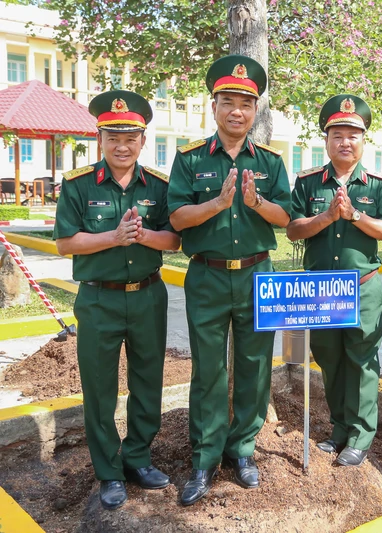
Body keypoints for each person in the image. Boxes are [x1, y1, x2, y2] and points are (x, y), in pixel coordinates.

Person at [167, 55, 291, 505]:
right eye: (228, 102)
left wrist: (257, 203)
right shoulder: (190, 158)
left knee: (256, 368)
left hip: (258, 273)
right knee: (209, 371)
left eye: (246, 103)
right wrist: (216, 205)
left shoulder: (272, 162)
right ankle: (205, 458)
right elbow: (177, 217)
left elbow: (286, 217)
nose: (237, 111)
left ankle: (242, 451)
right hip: (207, 276)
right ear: (214, 106)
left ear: (255, 111)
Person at [54, 90, 180, 510]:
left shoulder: (159, 186)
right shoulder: (77, 185)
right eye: (113, 137)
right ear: (100, 139)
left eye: (131, 138)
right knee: (100, 388)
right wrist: (113, 237)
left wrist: (143, 235)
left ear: (143, 140)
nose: (122, 146)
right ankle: (108, 471)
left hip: (147, 296)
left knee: (148, 382)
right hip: (98, 301)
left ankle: (138, 459)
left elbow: (175, 239)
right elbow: (65, 243)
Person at [287, 94, 382, 467]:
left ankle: (361, 435)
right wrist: (327, 218)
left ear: (363, 140)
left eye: (353, 134)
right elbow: (292, 229)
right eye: (337, 135)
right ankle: (338, 429)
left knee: (362, 360)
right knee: (330, 360)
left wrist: (353, 217)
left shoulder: (378, 185)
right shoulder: (307, 183)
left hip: (362, 287)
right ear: (327, 140)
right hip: (321, 290)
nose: (345, 141)